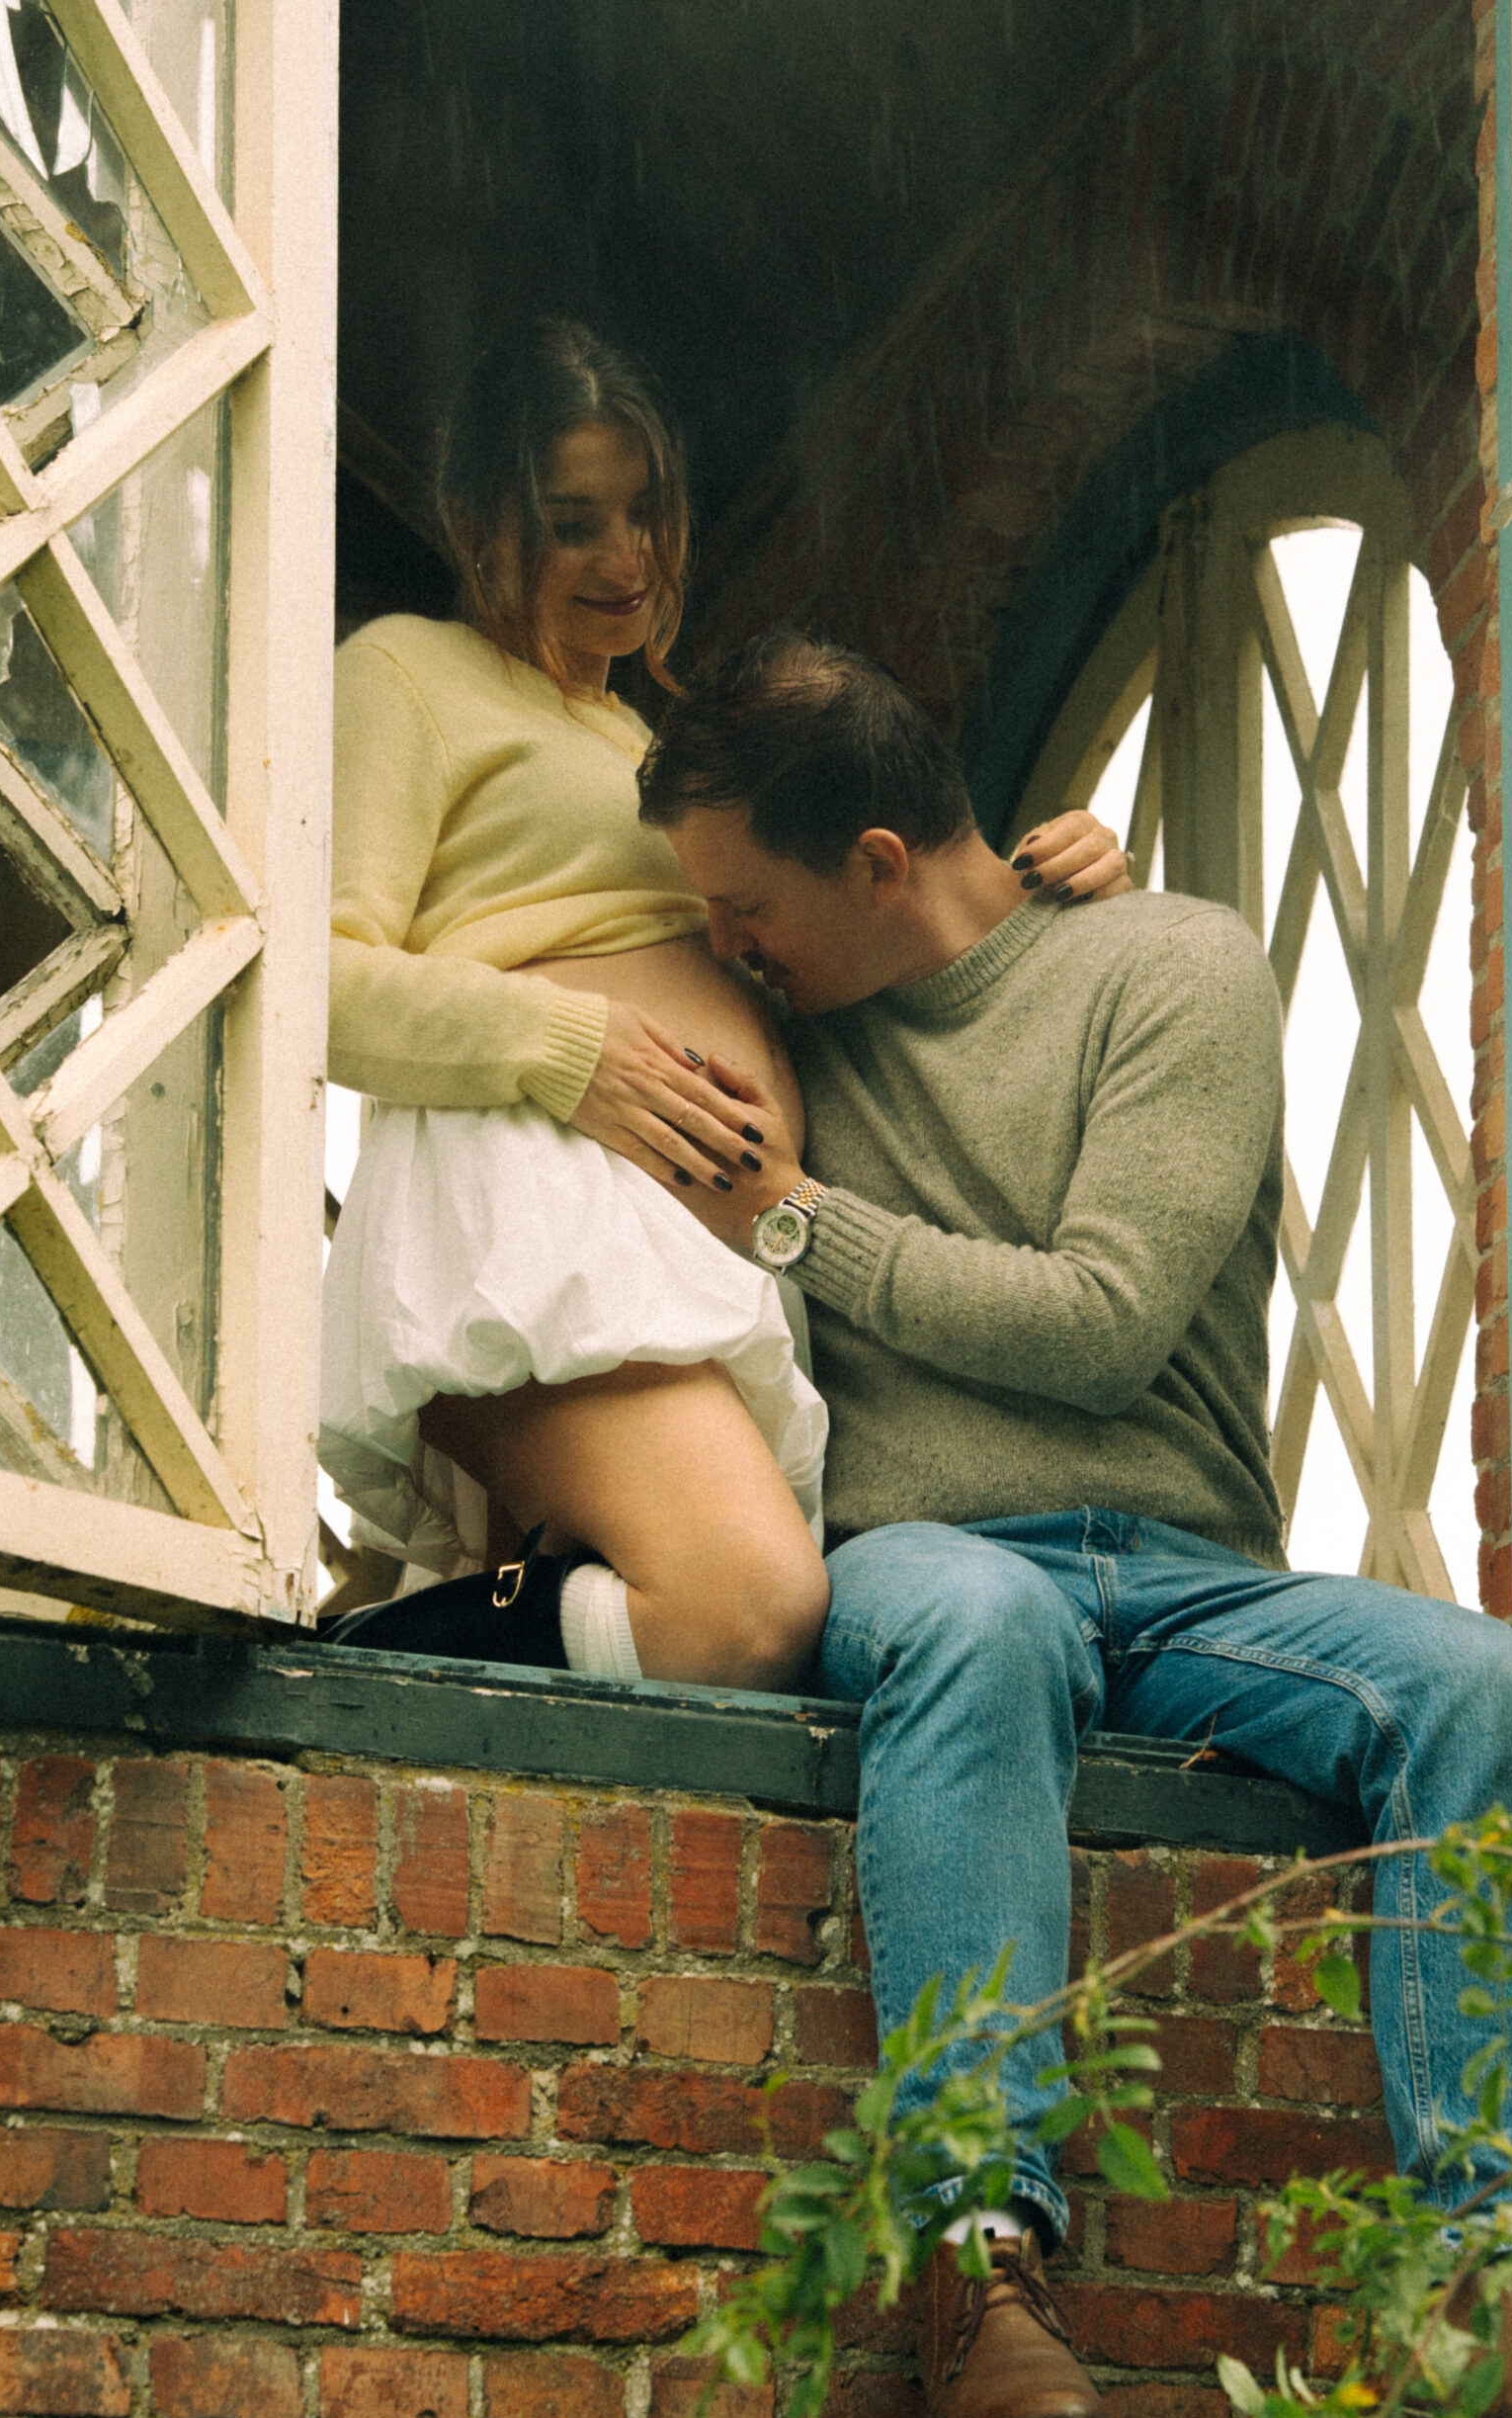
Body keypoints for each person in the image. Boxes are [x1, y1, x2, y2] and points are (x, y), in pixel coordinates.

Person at [633, 632, 1512, 2418]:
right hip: (941, 1563)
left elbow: (1103, 1322)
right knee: (973, 1623)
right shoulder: (782, 1025)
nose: (729, 948)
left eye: (751, 908)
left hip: (1195, 1574)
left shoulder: (1177, 966)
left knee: (1468, 1677)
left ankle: (1508, 2299)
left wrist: (797, 1224)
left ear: (881, 862)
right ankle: (982, 2260)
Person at [316, 320, 1122, 1693]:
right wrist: (569, 1050)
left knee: (711, 1628)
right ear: (479, 522)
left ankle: (448, 1667)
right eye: (574, 525)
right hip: (542, 1203)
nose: (627, 563)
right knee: (745, 1612)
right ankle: (353, 1665)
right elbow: (311, 989)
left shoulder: (655, 744)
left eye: (646, 517)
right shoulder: (405, 674)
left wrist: (1053, 882)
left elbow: (867, 915)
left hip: (694, 1231)